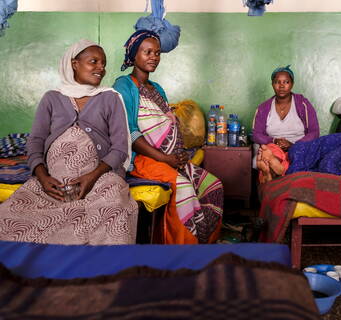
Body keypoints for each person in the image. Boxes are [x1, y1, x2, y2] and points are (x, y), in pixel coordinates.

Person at [0, 39, 138, 244]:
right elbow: (36, 141)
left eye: (104, 63)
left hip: (98, 178)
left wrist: (91, 178)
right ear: (74, 63)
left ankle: (100, 268)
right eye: (94, 61)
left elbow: (119, 148)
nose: (101, 68)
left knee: (117, 205)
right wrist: (42, 176)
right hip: (53, 181)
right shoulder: (52, 98)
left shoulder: (110, 98)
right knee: (8, 215)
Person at [113, 30, 223, 244]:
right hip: (143, 159)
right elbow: (130, 131)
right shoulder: (124, 86)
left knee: (213, 185)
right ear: (134, 54)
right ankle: (181, 248)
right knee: (183, 188)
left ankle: (204, 242)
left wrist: (179, 155)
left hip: (170, 158)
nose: (154, 57)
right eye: (147, 52)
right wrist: (165, 159)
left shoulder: (157, 89)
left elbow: (165, 125)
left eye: (157, 52)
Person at [252, 65, 320, 183]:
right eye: (277, 82)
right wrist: (274, 140)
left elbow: (314, 132)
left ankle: (269, 172)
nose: (282, 85)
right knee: (270, 149)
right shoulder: (263, 108)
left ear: (292, 84)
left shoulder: (302, 104)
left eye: (286, 82)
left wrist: (294, 144)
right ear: (272, 84)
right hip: (274, 146)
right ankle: (274, 165)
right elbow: (255, 134)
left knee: (295, 156)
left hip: (298, 147)